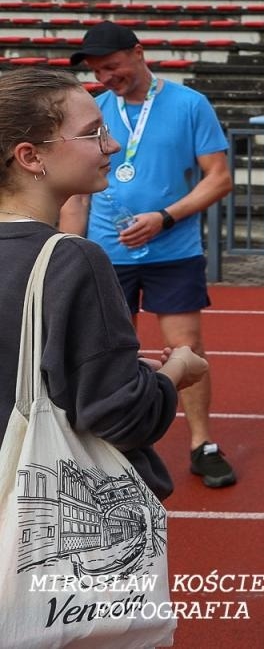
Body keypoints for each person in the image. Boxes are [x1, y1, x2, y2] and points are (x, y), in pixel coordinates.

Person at [0, 68, 208, 502]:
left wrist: (122, 372)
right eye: (93, 133)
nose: (111, 145)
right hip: (54, 522)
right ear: (30, 156)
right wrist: (174, 373)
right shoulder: (73, 260)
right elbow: (124, 418)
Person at [61, 21, 237, 489]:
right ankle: (123, 445)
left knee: (187, 349)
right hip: (106, 254)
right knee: (112, 352)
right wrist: (70, 251)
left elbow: (218, 178)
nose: (105, 78)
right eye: (98, 71)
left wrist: (166, 217)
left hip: (172, 250)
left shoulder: (189, 104)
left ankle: (202, 444)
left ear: (138, 53)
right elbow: (77, 195)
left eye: (112, 66)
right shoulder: (95, 110)